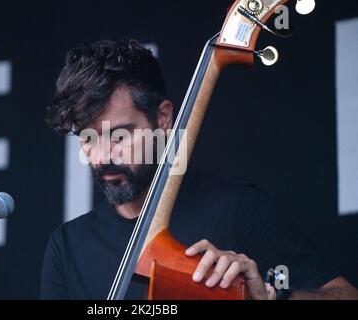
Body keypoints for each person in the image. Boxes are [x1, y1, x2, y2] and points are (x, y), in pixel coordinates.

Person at [41, 39, 358, 299]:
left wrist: (271, 297)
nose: (103, 155)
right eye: (88, 139)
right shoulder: (67, 248)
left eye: (120, 135)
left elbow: (344, 294)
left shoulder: (237, 208)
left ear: (163, 119)